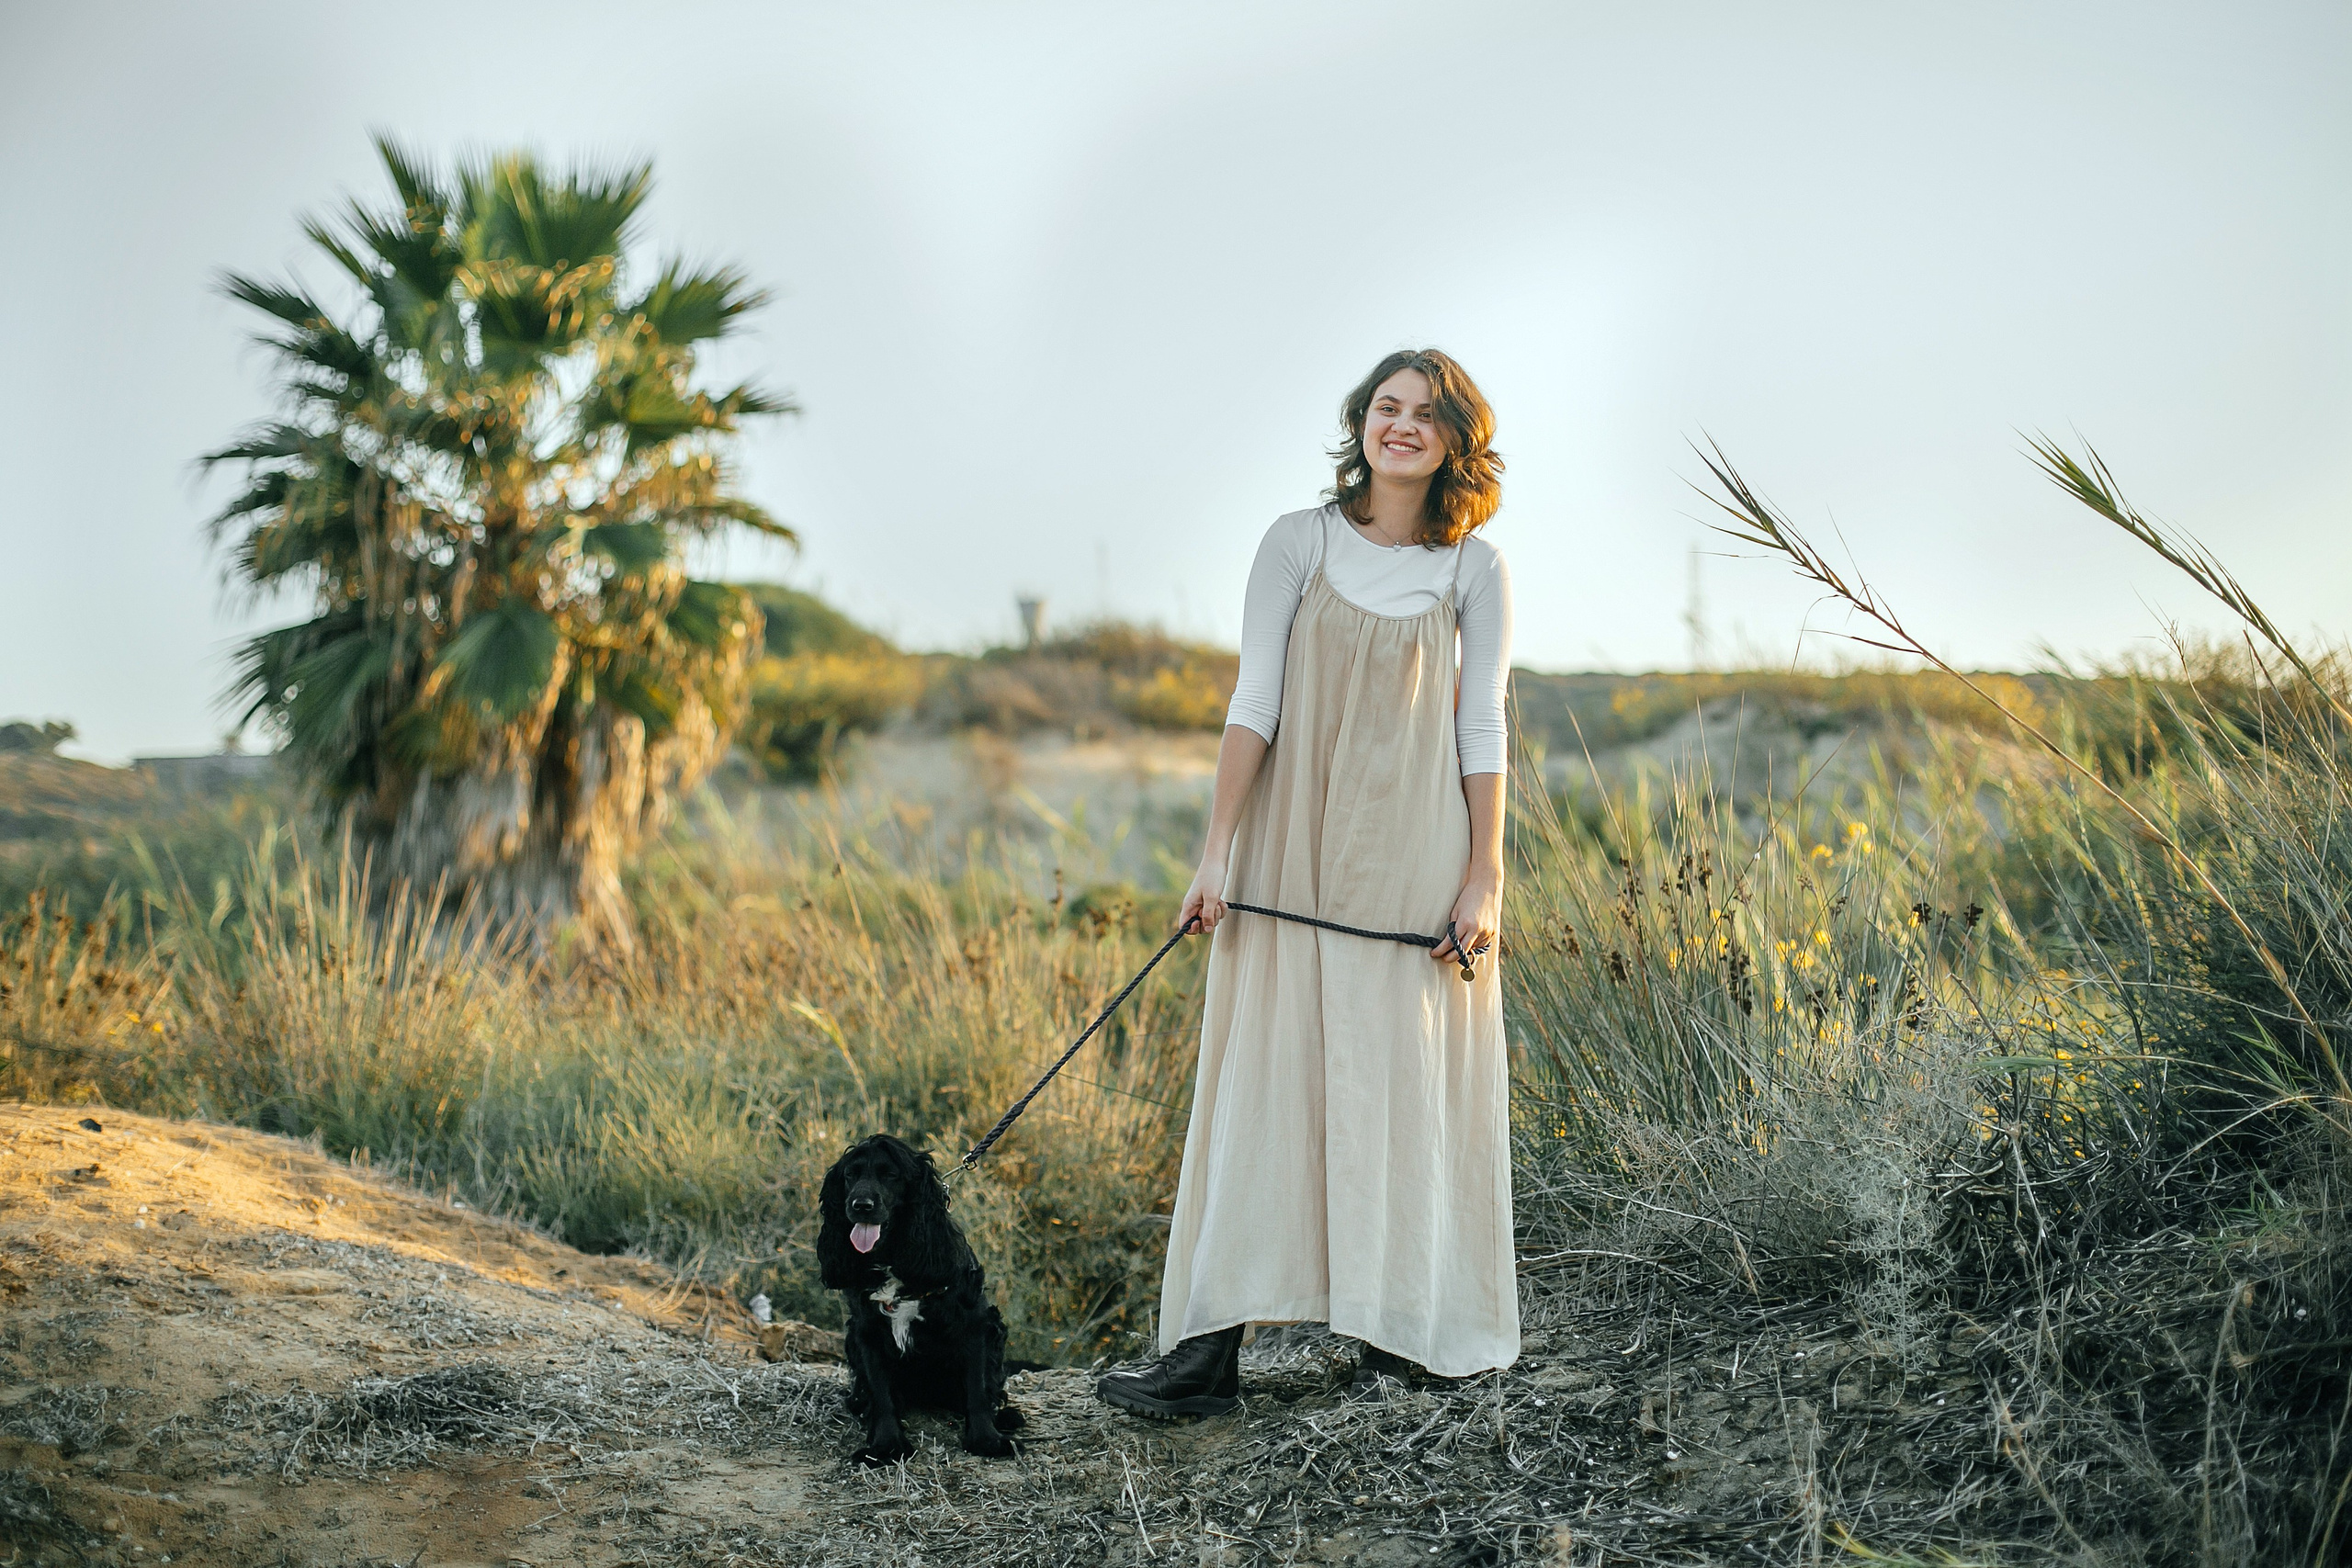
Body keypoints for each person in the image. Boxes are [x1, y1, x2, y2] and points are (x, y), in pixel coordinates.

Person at [1095, 347, 1518, 1418]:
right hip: (1290, 849)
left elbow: (1482, 727)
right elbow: (1254, 702)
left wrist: (1483, 880)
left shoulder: (1475, 569)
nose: (1402, 426)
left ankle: (1401, 1335)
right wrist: (1216, 853)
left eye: (1426, 414)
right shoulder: (1299, 542)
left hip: (1412, 856)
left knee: (1396, 1086)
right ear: (1361, 423)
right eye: (1387, 407)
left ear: (1453, 438)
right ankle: (1202, 1357)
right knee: (1264, 1077)